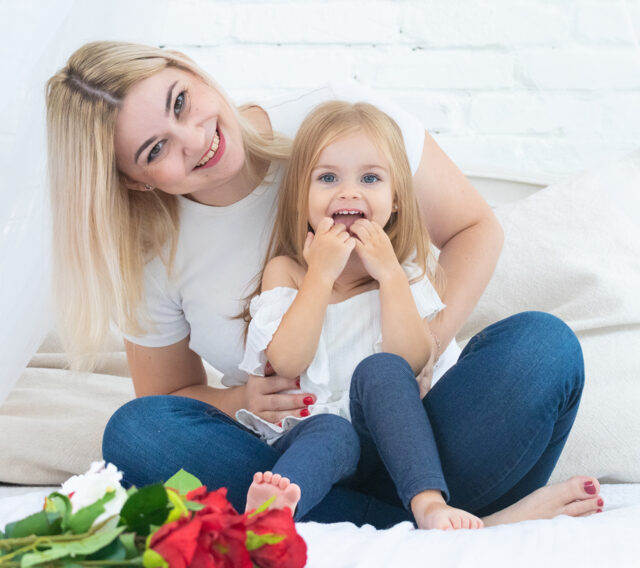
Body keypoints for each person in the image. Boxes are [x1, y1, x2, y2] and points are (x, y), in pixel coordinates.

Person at [46, 41, 603, 529]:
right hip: (299, 455)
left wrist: (427, 344)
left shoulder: (343, 126)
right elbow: (169, 399)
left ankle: (391, 506)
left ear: (187, 66)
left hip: (426, 427)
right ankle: (453, 519)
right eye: (155, 150)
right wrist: (240, 398)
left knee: (542, 347)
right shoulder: (151, 254)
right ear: (133, 183)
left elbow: (473, 229)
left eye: (180, 101)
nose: (194, 138)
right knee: (135, 433)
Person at [239, 101, 484, 530]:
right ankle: (271, 516)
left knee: (382, 370)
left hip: (393, 444)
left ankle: (428, 503)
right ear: (303, 200)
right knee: (332, 432)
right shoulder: (290, 272)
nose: (348, 192)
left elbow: (411, 362)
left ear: (397, 203)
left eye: (370, 178)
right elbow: (288, 362)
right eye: (328, 177)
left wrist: (388, 274)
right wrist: (320, 275)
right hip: (320, 439)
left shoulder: (405, 275)